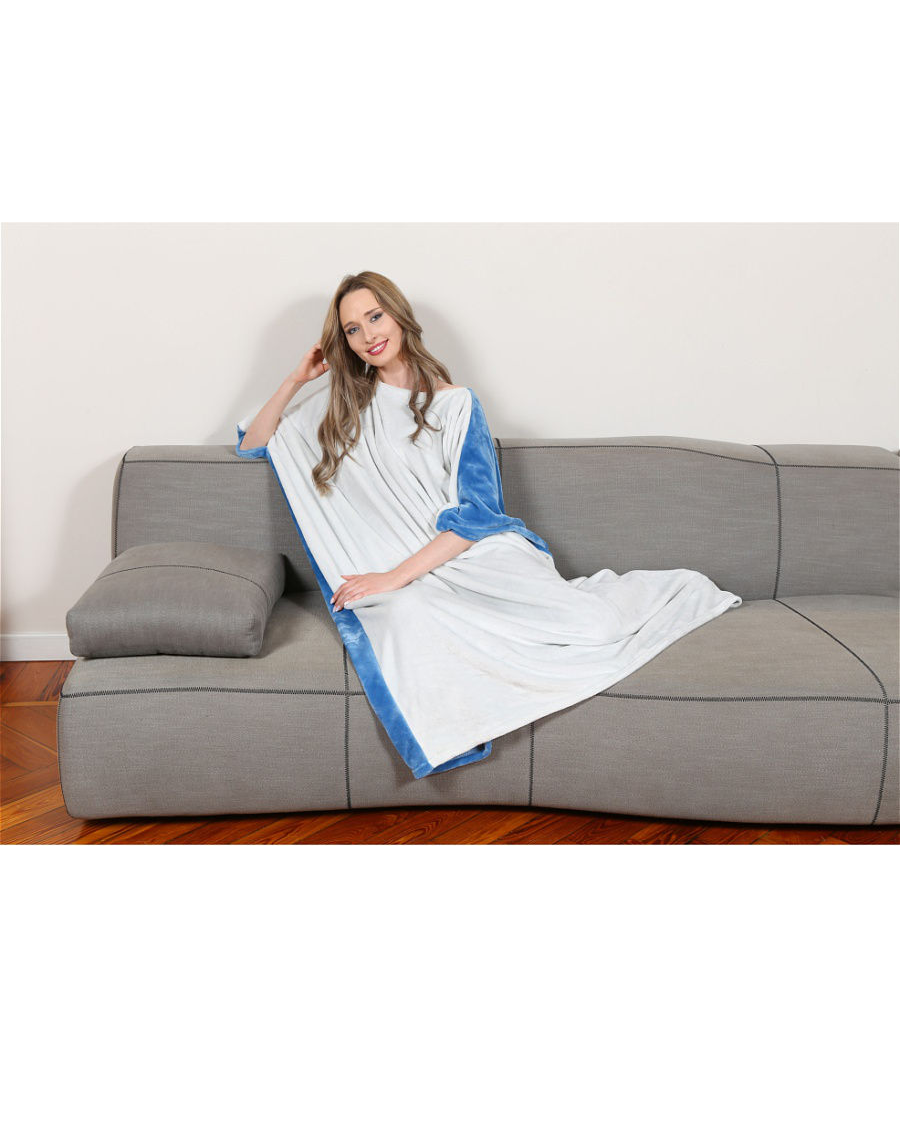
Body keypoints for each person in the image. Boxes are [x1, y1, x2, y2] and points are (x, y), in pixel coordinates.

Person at [236, 270, 742, 779]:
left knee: (599, 627)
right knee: (409, 617)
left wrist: (393, 577)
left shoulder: (456, 404)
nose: (368, 335)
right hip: (413, 580)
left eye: (375, 316)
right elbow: (255, 444)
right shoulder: (341, 406)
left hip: (476, 555)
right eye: (352, 329)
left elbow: (477, 514)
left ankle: (660, 594)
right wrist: (296, 380)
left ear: (398, 315)